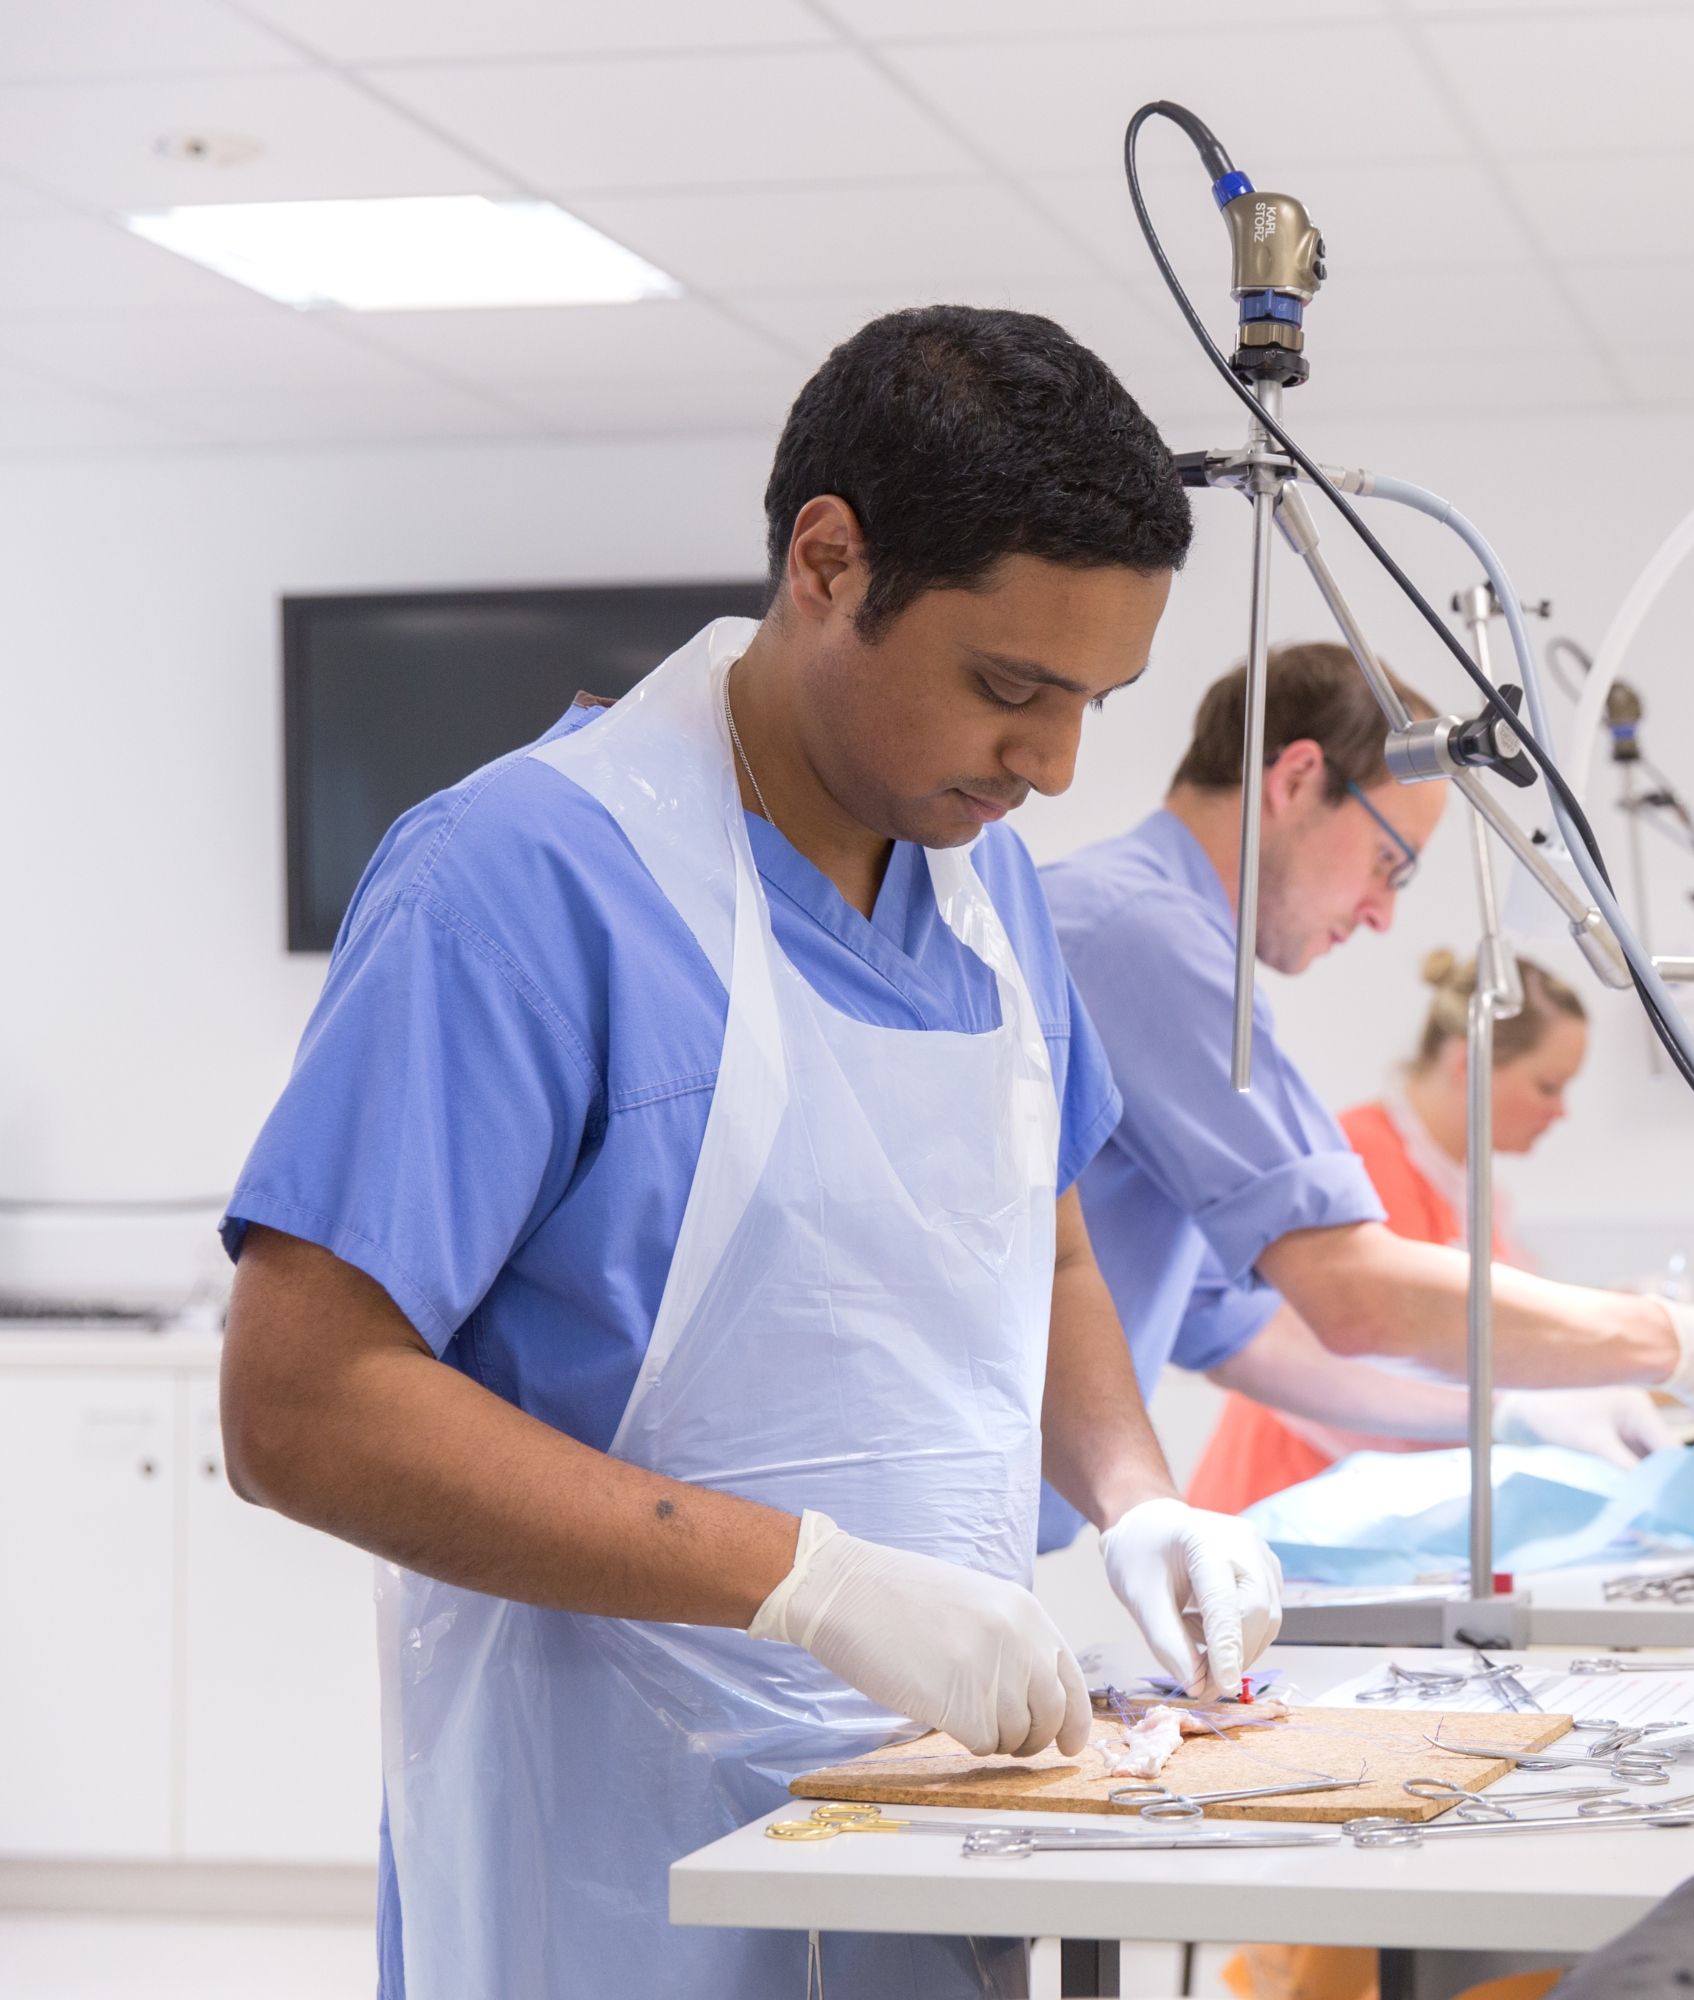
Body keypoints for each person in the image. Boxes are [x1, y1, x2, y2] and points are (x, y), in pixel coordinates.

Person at [215, 307, 1281, 1999]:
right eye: (1011, 687)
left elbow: (1047, 1239)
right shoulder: (519, 886)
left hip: (939, 1839)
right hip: (618, 1872)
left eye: (1096, 703)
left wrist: (1139, 1495)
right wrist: (808, 1582)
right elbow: (300, 1406)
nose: (1055, 764)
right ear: (828, 562)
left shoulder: (983, 886)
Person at [1037, 644, 1694, 1556]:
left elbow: (1251, 1338)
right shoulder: (1139, 936)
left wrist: (1510, 1409)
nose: (1383, 915)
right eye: (1391, 865)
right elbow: (1357, 1300)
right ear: (1298, 778)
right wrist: (1674, 1340)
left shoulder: (1150, 938)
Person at [1186, 948, 1676, 1513]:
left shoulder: (1470, 1191)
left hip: (1386, 1504)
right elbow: (1387, 1349)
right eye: (1547, 1086)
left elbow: (1494, 1338)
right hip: (1294, 1498)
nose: (1560, 1112)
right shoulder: (1356, 1165)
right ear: (1469, 1063)